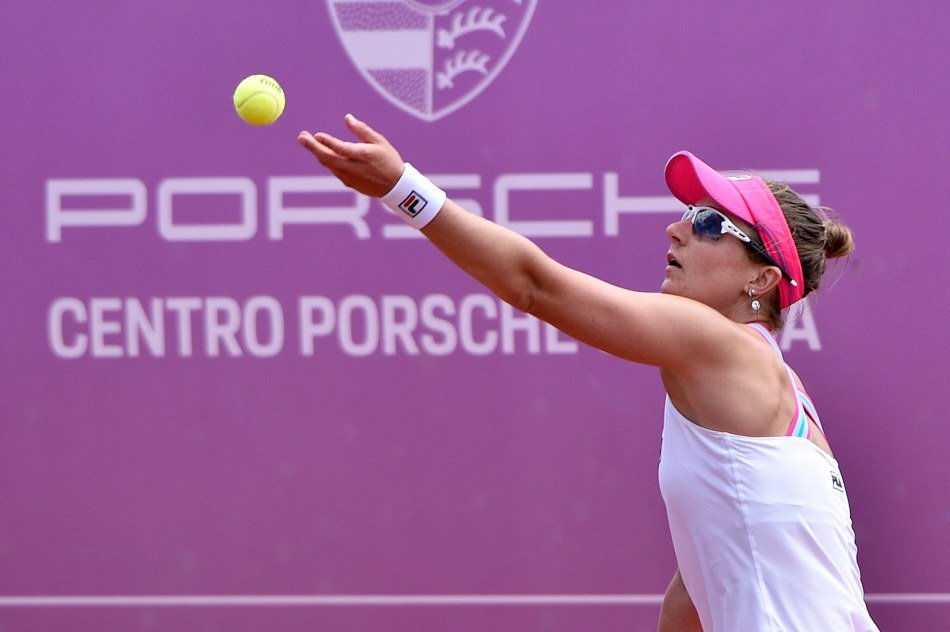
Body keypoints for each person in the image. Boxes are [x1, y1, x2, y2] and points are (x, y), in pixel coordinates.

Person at [298, 114, 879, 631]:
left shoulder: (721, 346)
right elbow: (698, 587)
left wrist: (404, 190)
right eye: (686, 215)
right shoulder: (787, 404)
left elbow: (535, 285)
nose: (676, 230)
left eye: (707, 224)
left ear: (761, 280)